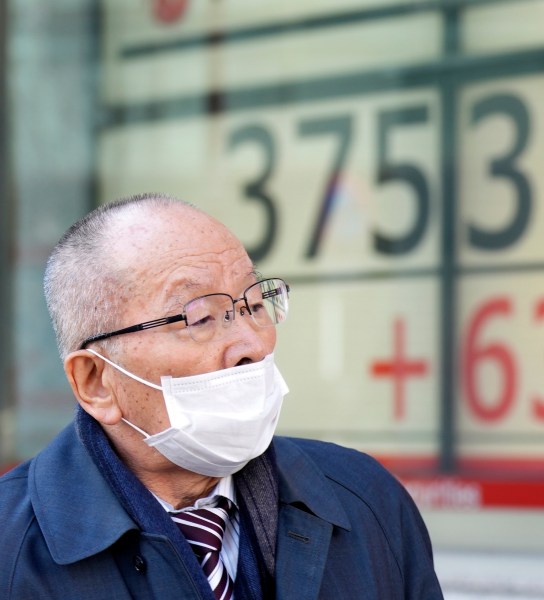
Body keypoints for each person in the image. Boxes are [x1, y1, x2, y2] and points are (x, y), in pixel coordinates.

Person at [0, 193, 444, 599]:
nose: (252, 344)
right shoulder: (11, 552)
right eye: (199, 317)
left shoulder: (365, 502)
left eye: (253, 304)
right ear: (96, 381)